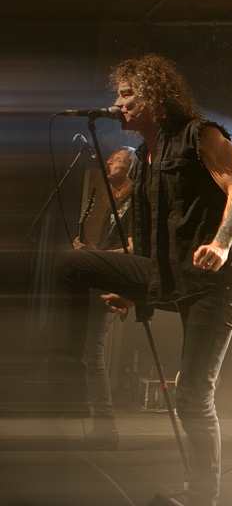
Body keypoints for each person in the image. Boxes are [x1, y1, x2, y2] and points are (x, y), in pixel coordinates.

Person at [55, 54, 232, 506]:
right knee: (73, 263)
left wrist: (221, 244)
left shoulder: (201, 135)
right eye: (118, 96)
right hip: (168, 274)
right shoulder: (144, 159)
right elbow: (147, 240)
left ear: (154, 97)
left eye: (127, 95)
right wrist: (132, 290)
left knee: (193, 396)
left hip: (216, 282)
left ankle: (202, 497)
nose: (118, 105)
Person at [65, 146, 138, 448]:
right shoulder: (112, 200)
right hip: (104, 275)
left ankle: (106, 430)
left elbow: (135, 248)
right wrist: (88, 251)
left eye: (117, 158)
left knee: (94, 354)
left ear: (131, 166)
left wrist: (97, 257)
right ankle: (103, 428)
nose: (109, 161)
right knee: (90, 354)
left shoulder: (138, 200)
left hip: (117, 280)